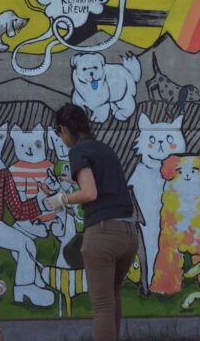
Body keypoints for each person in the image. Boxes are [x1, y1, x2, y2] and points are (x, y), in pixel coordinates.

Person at [45, 103, 138, 341]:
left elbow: (89, 193)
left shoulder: (78, 151)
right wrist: (74, 180)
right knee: (113, 297)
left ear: (63, 129)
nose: (61, 138)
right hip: (128, 234)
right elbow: (105, 186)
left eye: (59, 133)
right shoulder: (104, 149)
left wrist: (62, 199)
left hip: (104, 233)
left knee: (102, 305)